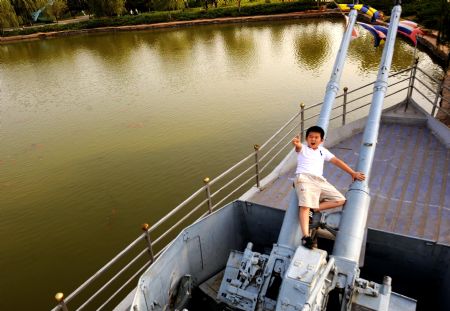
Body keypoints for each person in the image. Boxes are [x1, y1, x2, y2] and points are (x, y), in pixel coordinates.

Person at [292, 126, 365, 249]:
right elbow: (298, 147)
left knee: (340, 200)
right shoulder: (303, 149)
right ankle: (306, 237)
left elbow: (337, 161)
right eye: (310, 137)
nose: (313, 139)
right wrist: (297, 144)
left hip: (320, 181)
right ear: (306, 139)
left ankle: (314, 209)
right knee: (304, 206)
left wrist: (353, 173)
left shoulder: (322, 151)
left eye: (316, 137)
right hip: (304, 178)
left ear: (321, 140)